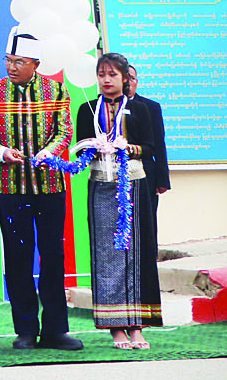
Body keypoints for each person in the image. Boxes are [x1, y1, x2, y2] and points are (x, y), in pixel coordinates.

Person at [0, 31, 82, 352]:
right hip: (11, 188)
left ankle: (55, 331)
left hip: (50, 186)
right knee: (17, 257)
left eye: (19, 61)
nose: (11, 67)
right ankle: (25, 330)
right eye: (8, 60)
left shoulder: (56, 90)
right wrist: (1, 152)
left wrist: (49, 152)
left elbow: (65, 130)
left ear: (35, 63)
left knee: (53, 256)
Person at [78, 53, 162, 350]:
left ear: (125, 78)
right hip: (101, 185)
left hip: (134, 184)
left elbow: (150, 147)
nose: (106, 80)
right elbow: (80, 148)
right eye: (101, 74)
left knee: (137, 251)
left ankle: (137, 326)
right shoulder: (87, 109)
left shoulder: (140, 109)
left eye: (112, 74)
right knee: (106, 253)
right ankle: (115, 328)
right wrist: (94, 146)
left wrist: (126, 148)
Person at [124, 65, 170, 215]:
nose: (128, 82)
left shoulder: (151, 107)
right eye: (125, 78)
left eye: (132, 78)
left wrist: (162, 180)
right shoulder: (106, 106)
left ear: (137, 81)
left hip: (146, 172)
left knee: (147, 218)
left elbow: (159, 143)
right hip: (118, 173)